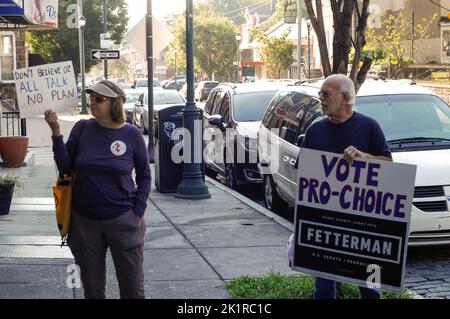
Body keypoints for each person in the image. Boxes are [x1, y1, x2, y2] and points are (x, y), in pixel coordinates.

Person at [44, 80, 151, 299]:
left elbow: (145, 176)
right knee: (92, 290)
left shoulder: (132, 135)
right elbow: (65, 167)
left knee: (132, 289)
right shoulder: (83, 128)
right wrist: (56, 132)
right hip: (84, 221)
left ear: (114, 103)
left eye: (99, 99)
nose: (92, 103)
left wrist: (137, 211)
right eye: (91, 98)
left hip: (123, 220)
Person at [301, 74, 392, 299]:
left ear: (343, 97)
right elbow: (305, 175)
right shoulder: (315, 131)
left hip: (362, 225)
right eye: (320, 93)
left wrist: (363, 157)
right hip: (325, 223)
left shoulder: (369, 126)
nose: (320, 98)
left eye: (325, 94)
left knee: (371, 288)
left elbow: (388, 164)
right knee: (323, 288)